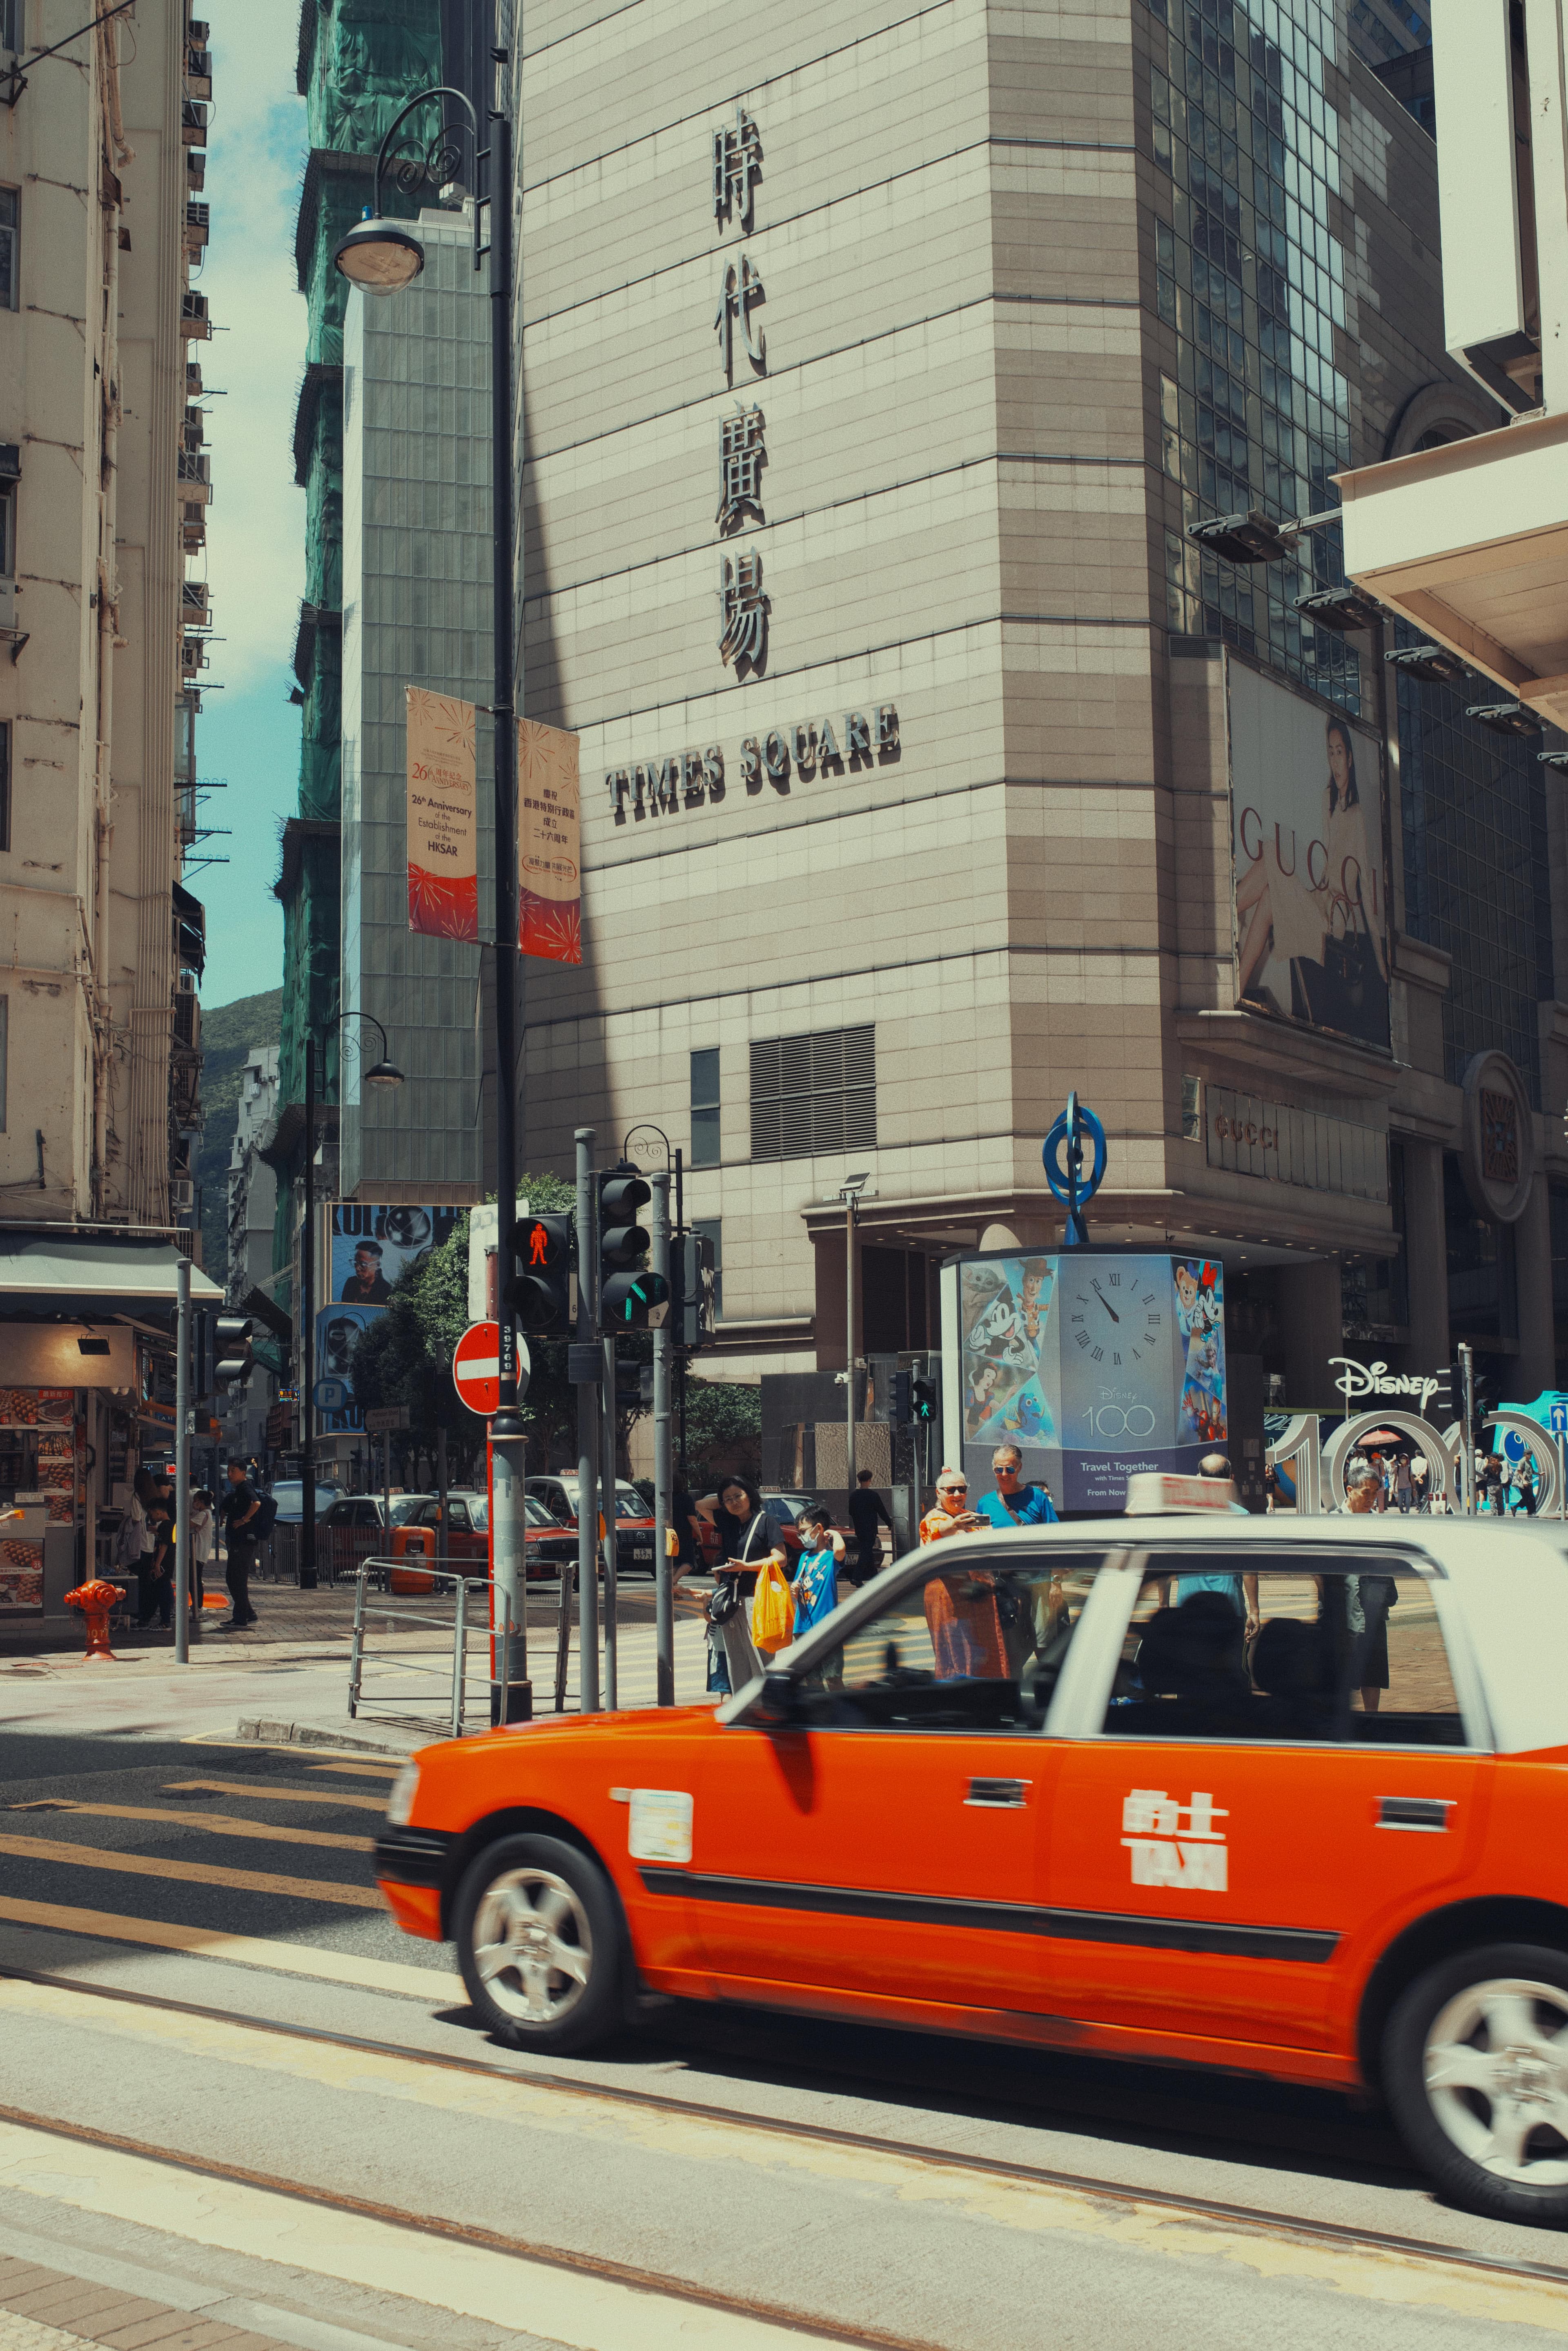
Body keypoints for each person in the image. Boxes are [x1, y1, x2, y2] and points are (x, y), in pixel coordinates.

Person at [790, 1504, 845, 1637]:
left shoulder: (831, 1557)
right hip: (803, 1625)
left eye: (803, 1532)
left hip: (826, 1626)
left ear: (819, 1528)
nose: (801, 1537)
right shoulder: (805, 1557)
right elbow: (798, 1587)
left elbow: (840, 1550)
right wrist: (794, 1589)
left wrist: (834, 1533)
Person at [974, 1442, 1058, 1528]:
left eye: (1010, 1470)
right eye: (999, 1470)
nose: (1004, 1474)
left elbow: (1054, 1531)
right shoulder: (984, 1503)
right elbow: (977, 1535)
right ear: (993, 1469)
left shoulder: (1038, 1497)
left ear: (1020, 1467)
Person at [220, 1458, 261, 1628]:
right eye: (228, 1470)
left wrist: (244, 1520)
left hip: (243, 1541)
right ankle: (248, 1613)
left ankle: (241, 1617)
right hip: (237, 1541)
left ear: (243, 1473)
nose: (230, 1474)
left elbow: (257, 1503)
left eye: (233, 1470)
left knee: (236, 1579)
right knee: (234, 1578)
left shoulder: (245, 1488)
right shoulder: (237, 1491)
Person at [134, 1493, 174, 1629]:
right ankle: (162, 1619)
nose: (152, 1517)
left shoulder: (165, 1526)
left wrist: (157, 1564)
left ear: (158, 1512)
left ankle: (165, 1621)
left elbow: (164, 1546)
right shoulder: (167, 1526)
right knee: (162, 1589)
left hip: (163, 1564)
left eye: (152, 1514)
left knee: (162, 1591)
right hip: (165, 1563)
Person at [847, 1468, 893, 1581]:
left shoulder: (854, 1496)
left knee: (867, 1550)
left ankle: (873, 1573)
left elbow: (851, 1512)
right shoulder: (873, 1495)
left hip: (859, 1528)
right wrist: (889, 1523)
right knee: (866, 1552)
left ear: (859, 1480)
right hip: (871, 1528)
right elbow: (881, 1510)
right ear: (869, 1480)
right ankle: (857, 1577)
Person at [920, 1469, 985, 1544]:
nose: (957, 1495)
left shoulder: (971, 1515)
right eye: (951, 1490)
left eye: (962, 1489)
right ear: (938, 1493)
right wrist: (954, 1526)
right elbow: (937, 1530)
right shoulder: (933, 1517)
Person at [188, 1486, 215, 1618]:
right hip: (198, 1552)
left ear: (202, 1502)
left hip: (198, 1552)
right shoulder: (206, 1514)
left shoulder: (203, 1514)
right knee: (195, 1579)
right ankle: (196, 1605)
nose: (194, 1503)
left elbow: (188, 1524)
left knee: (195, 1580)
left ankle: (198, 1606)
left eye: (196, 1501)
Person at [340, 1241, 391, 1305]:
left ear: (377, 1265)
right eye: (356, 1263)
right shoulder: (351, 1283)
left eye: (363, 1264)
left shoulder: (386, 1289)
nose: (358, 1269)